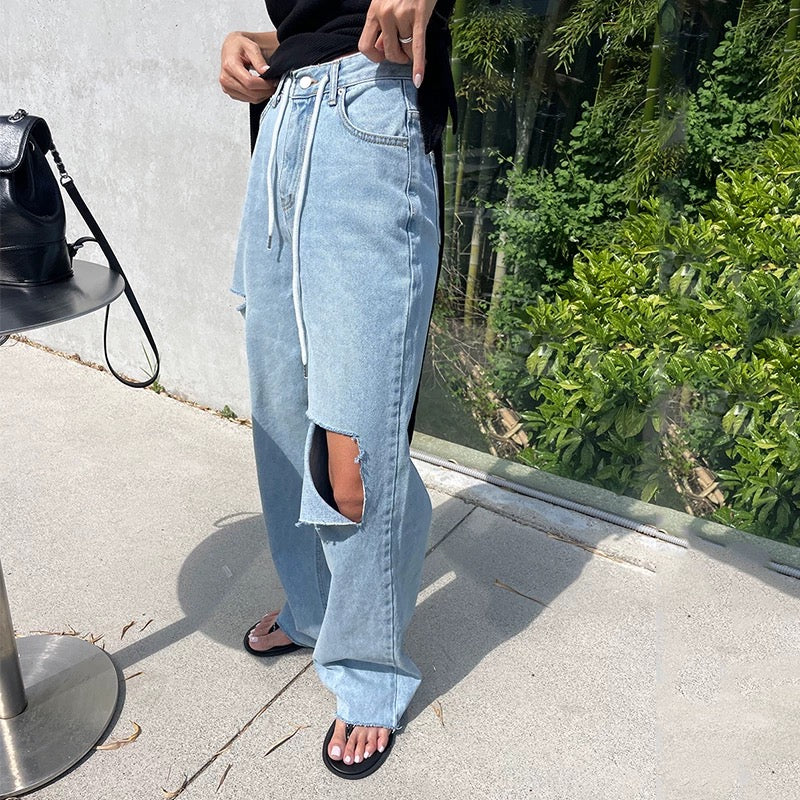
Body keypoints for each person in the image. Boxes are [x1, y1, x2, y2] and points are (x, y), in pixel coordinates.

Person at [219, 0, 456, 779]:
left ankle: (369, 670)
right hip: (283, 124)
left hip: (372, 113)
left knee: (354, 438)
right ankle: (316, 608)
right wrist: (256, 43)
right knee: (283, 414)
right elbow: (317, 19)